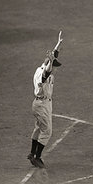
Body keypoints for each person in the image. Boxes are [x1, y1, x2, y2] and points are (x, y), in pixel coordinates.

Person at [28, 31, 64, 168]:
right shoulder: (44, 73)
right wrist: (51, 61)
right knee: (47, 131)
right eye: (55, 66)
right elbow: (47, 71)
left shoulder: (40, 69)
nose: (57, 69)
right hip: (42, 104)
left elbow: (50, 61)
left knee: (38, 128)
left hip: (39, 103)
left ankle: (32, 153)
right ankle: (37, 157)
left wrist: (58, 45)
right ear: (51, 65)